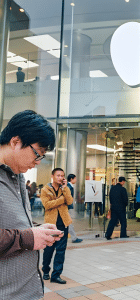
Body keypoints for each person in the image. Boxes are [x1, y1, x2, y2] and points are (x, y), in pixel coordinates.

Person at [0, 110, 63, 300]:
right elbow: (22, 237)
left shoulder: (17, 175)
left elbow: (11, 223)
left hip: (28, 291)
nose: (37, 163)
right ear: (15, 142)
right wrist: (27, 238)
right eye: (37, 154)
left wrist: (36, 229)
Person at [41, 168, 73, 284]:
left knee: (61, 250)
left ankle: (56, 275)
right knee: (49, 249)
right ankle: (45, 270)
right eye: (58, 175)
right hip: (51, 225)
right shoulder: (45, 189)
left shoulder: (65, 189)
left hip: (63, 223)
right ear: (52, 176)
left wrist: (65, 188)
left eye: (62, 176)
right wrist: (61, 200)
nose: (60, 178)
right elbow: (47, 205)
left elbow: (69, 201)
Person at [67, 174, 83, 243]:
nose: (76, 180)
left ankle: (73, 237)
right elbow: (68, 198)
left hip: (67, 207)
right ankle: (74, 238)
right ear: (71, 179)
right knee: (68, 223)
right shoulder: (69, 187)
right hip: (67, 208)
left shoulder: (70, 186)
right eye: (75, 178)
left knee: (68, 223)